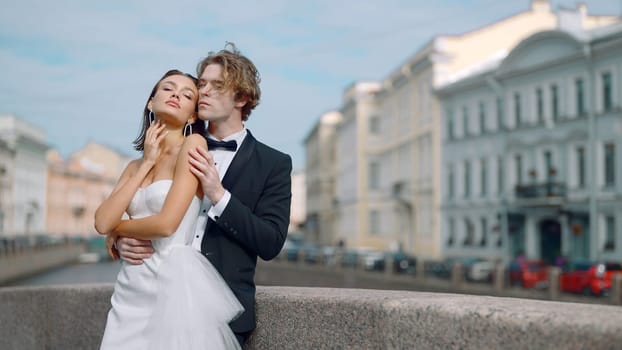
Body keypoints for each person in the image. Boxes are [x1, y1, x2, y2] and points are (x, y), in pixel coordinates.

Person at [110, 43, 292, 347]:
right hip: (147, 296)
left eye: (217, 85)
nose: (203, 90)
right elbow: (129, 207)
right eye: (202, 83)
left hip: (218, 312)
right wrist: (116, 239)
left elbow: (271, 242)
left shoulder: (273, 164)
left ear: (242, 98)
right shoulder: (171, 145)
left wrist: (219, 195)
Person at [95, 69, 243, 350]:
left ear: (192, 116)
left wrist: (117, 228)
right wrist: (147, 164)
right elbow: (101, 221)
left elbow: (166, 224)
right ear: (151, 103)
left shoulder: (193, 144)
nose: (176, 95)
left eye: (188, 95)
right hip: (130, 286)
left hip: (170, 284)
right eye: (168, 89)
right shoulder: (133, 166)